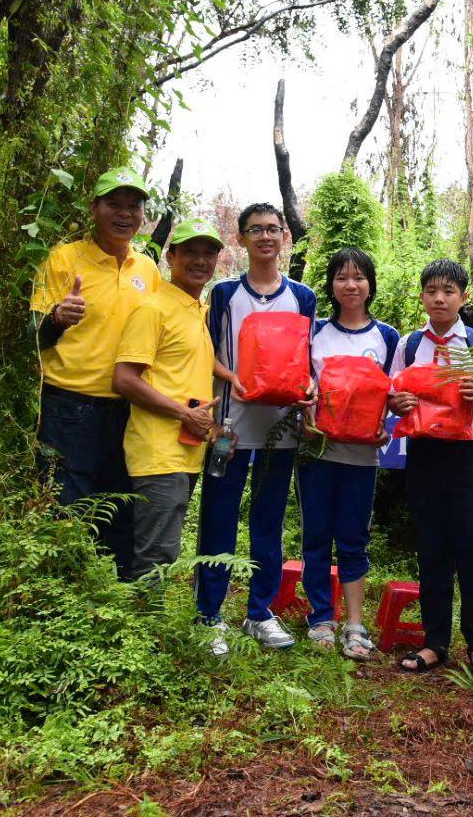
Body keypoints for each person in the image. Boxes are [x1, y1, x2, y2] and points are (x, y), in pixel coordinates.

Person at [196, 204, 317, 654]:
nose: (265, 236)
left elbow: (306, 358)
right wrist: (229, 379)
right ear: (242, 238)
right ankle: (209, 616)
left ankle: (258, 613)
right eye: (255, 230)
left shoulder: (302, 297)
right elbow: (202, 350)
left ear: (284, 236)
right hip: (229, 429)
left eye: (272, 229)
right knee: (218, 521)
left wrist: (306, 389)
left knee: (268, 523)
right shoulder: (225, 294)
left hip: (279, 432)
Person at [30, 167, 161, 580]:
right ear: (94, 208)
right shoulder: (64, 259)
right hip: (71, 406)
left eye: (133, 207)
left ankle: (114, 602)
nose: (124, 215)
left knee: (121, 506)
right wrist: (56, 317)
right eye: (114, 205)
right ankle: (60, 595)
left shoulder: (148, 269)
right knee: (67, 507)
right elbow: (31, 336)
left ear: (143, 215)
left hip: (130, 408)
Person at [389, 259, 473, 676]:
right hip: (424, 453)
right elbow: (394, 392)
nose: (439, 298)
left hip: (471, 454)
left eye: (449, 291)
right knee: (431, 545)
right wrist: (397, 402)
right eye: (432, 291)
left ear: (463, 296)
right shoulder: (408, 345)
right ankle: (434, 641)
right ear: (422, 296)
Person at [110, 219, 224, 578]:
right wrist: (184, 415)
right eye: (190, 252)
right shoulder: (153, 308)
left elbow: (183, 377)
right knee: (155, 557)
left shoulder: (198, 312)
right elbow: (124, 379)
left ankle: (147, 628)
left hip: (187, 450)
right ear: (170, 256)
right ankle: (147, 631)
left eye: (209, 253)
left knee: (163, 550)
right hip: (159, 452)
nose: (200, 261)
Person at [300, 247, 399, 660]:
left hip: (362, 459)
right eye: (342, 277)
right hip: (316, 454)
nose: (351, 284)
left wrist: (383, 433)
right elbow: (303, 387)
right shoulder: (314, 333)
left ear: (370, 285)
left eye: (359, 277)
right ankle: (322, 619)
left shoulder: (388, 337)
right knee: (316, 536)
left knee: (354, 540)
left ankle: (355, 625)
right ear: (332, 285)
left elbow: (394, 397)